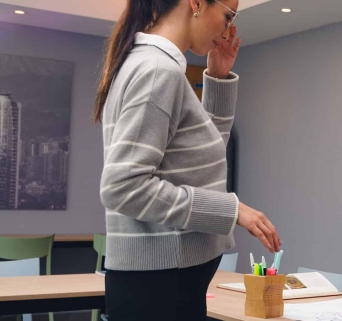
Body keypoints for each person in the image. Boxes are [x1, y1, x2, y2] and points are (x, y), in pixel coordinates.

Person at [94, 0, 281, 319]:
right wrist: (231, 209)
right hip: (162, 286)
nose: (228, 30)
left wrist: (218, 78)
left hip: (163, 282)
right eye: (227, 16)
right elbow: (122, 187)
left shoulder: (150, 64)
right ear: (195, 3)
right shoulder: (157, 70)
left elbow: (197, 160)